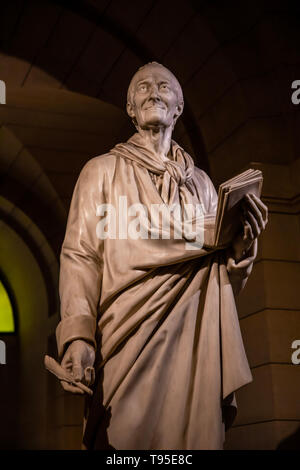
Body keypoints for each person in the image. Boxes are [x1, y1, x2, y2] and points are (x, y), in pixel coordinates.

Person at [56, 62, 268, 450]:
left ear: (178, 108)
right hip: (127, 340)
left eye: (164, 87)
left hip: (194, 341)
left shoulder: (202, 184)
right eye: (142, 88)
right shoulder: (101, 172)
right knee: (124, 443)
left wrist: (240, 250)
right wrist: (77, 336)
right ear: (131, 110)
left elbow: (220, 279)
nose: (153, 91)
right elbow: (81, 255)